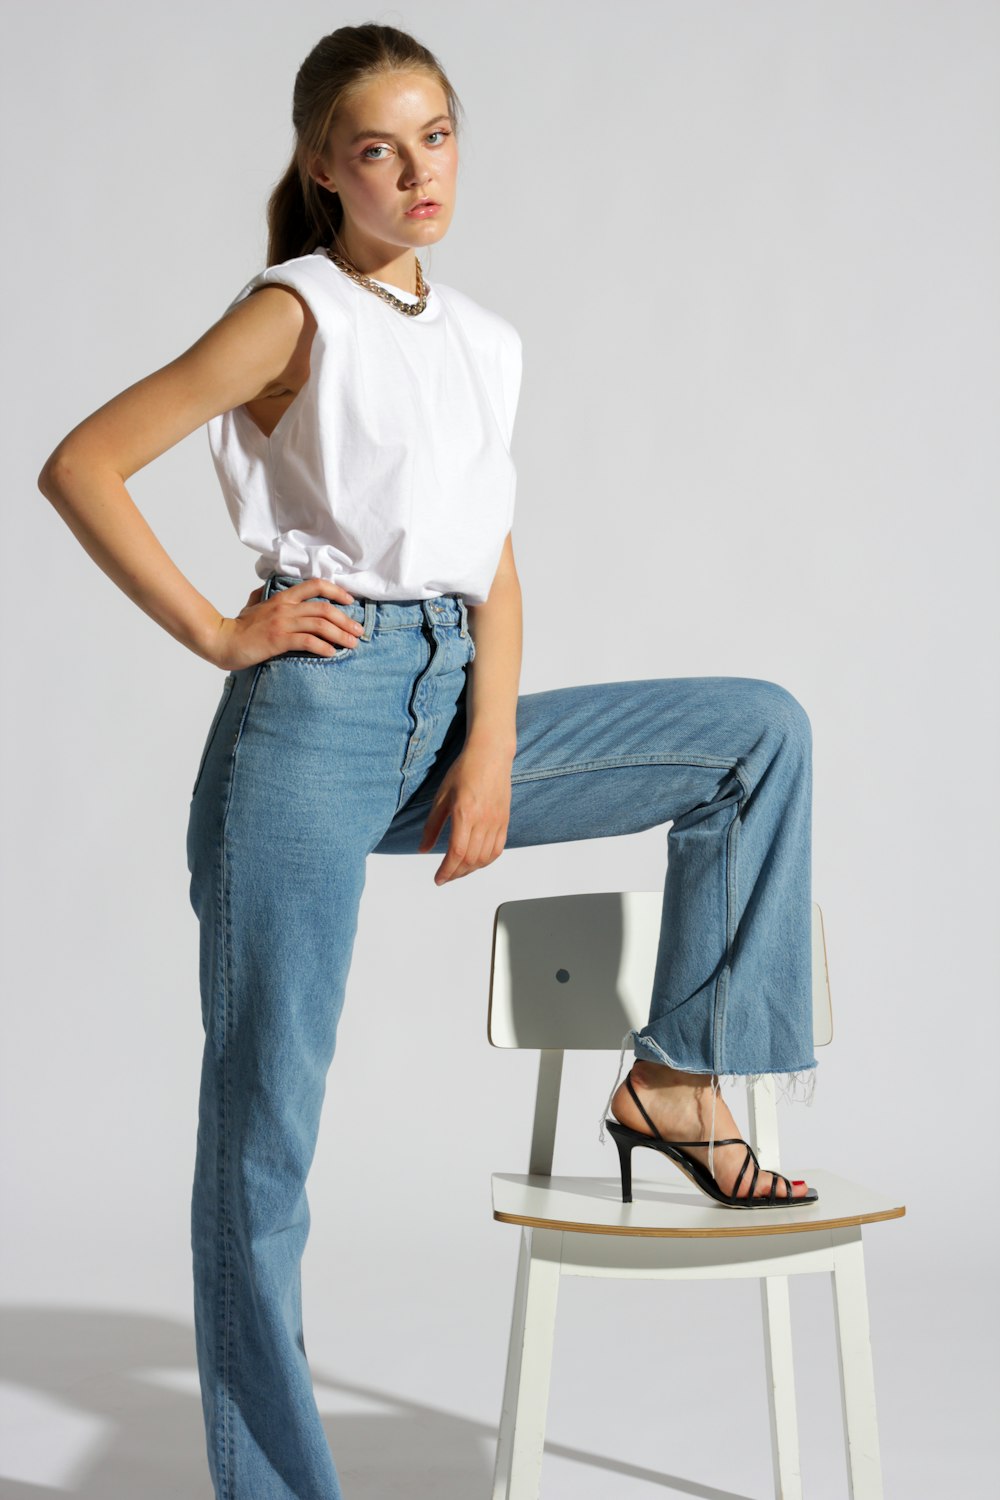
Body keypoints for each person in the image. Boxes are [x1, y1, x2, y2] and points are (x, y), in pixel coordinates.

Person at [37, 21, 822, 1500]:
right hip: (311, 727)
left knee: (753, 733)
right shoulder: (295, 313)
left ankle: (675, 1078)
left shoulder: (487, 343)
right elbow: (82, 461)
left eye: (438, 136)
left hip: (456, 705)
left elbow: (493, 569)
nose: (415, 172)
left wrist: (492, 754)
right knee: (265, 1134)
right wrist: (223, 631)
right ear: (324, 168)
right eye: (379, 148)